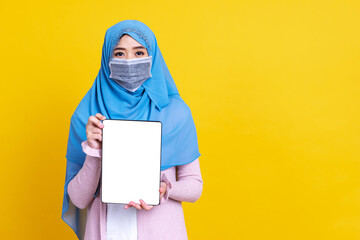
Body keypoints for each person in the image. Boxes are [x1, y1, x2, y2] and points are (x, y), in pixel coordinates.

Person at [61, 20, 203, 240]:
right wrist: (93, 150)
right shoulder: (87, 116)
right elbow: (78, 200)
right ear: (107, 58)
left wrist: (165, 188)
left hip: (162, 233)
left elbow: (194, 186)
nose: (129, 61)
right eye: (119, 53)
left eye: (139, 53)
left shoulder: (176, 113)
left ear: (152, 56)